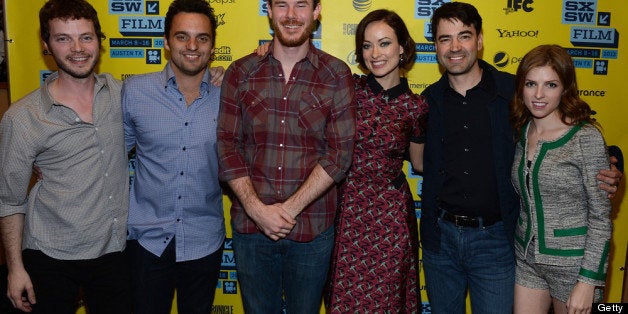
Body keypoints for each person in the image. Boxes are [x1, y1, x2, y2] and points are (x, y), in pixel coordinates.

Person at [420, 2, 622, 313]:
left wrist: (612, 161)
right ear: (435, 45)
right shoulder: (427, 102)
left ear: (480, 40)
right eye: (445, 38)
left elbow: (567, 129)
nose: (455, 47)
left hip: (496, 241)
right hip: (442, 242)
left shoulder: (512, 92)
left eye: (464, 35)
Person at [216, 0, 356, 312]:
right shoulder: (240, 71)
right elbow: (227, 146)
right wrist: (258, 210)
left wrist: (286, 211)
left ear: (317, 11)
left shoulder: (336, 74)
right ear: (268, 10)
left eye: (301, 5)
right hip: (252, 230)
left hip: (313, 230)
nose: (291, 15)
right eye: (282, 5)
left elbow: (340, 154)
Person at [0, 0, 130, 313]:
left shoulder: (123, 94)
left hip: (114, 251)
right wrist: (15, 269)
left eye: (86, 37)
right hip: (50, 257)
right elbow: (9, 200)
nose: (78, 49)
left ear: (99, 40)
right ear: (46, 45)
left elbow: (172, 88)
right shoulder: (23, 118)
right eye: (63, 38)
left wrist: (217, 75)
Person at [122, 0, 224, 313]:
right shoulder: (134, 91)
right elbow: (107, 155)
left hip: (204, 240)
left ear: (212, 46)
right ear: (167, 42)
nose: (192, 46)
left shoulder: (230, 96)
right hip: (146, 241)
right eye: (182, 36)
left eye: (202, 38)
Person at [325, 9, 427, 313]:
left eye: (384, 43)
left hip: (391, 216)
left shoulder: (416, 107)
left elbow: (420, 164)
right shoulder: (348, 89)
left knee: (387, 301)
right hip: (347, 210)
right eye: (367, 45)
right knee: (343, 300)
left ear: (403, 48)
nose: (375, 53)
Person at [510, 44, 611, 314]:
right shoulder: (523, 130)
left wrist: (588, 282)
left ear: (565, 88)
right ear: (521, 87)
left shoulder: (585, 138)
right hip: (527, 260)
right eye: (531, 83)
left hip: (573, 265)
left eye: (551, 85)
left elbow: (601, 217)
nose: (539, 95)